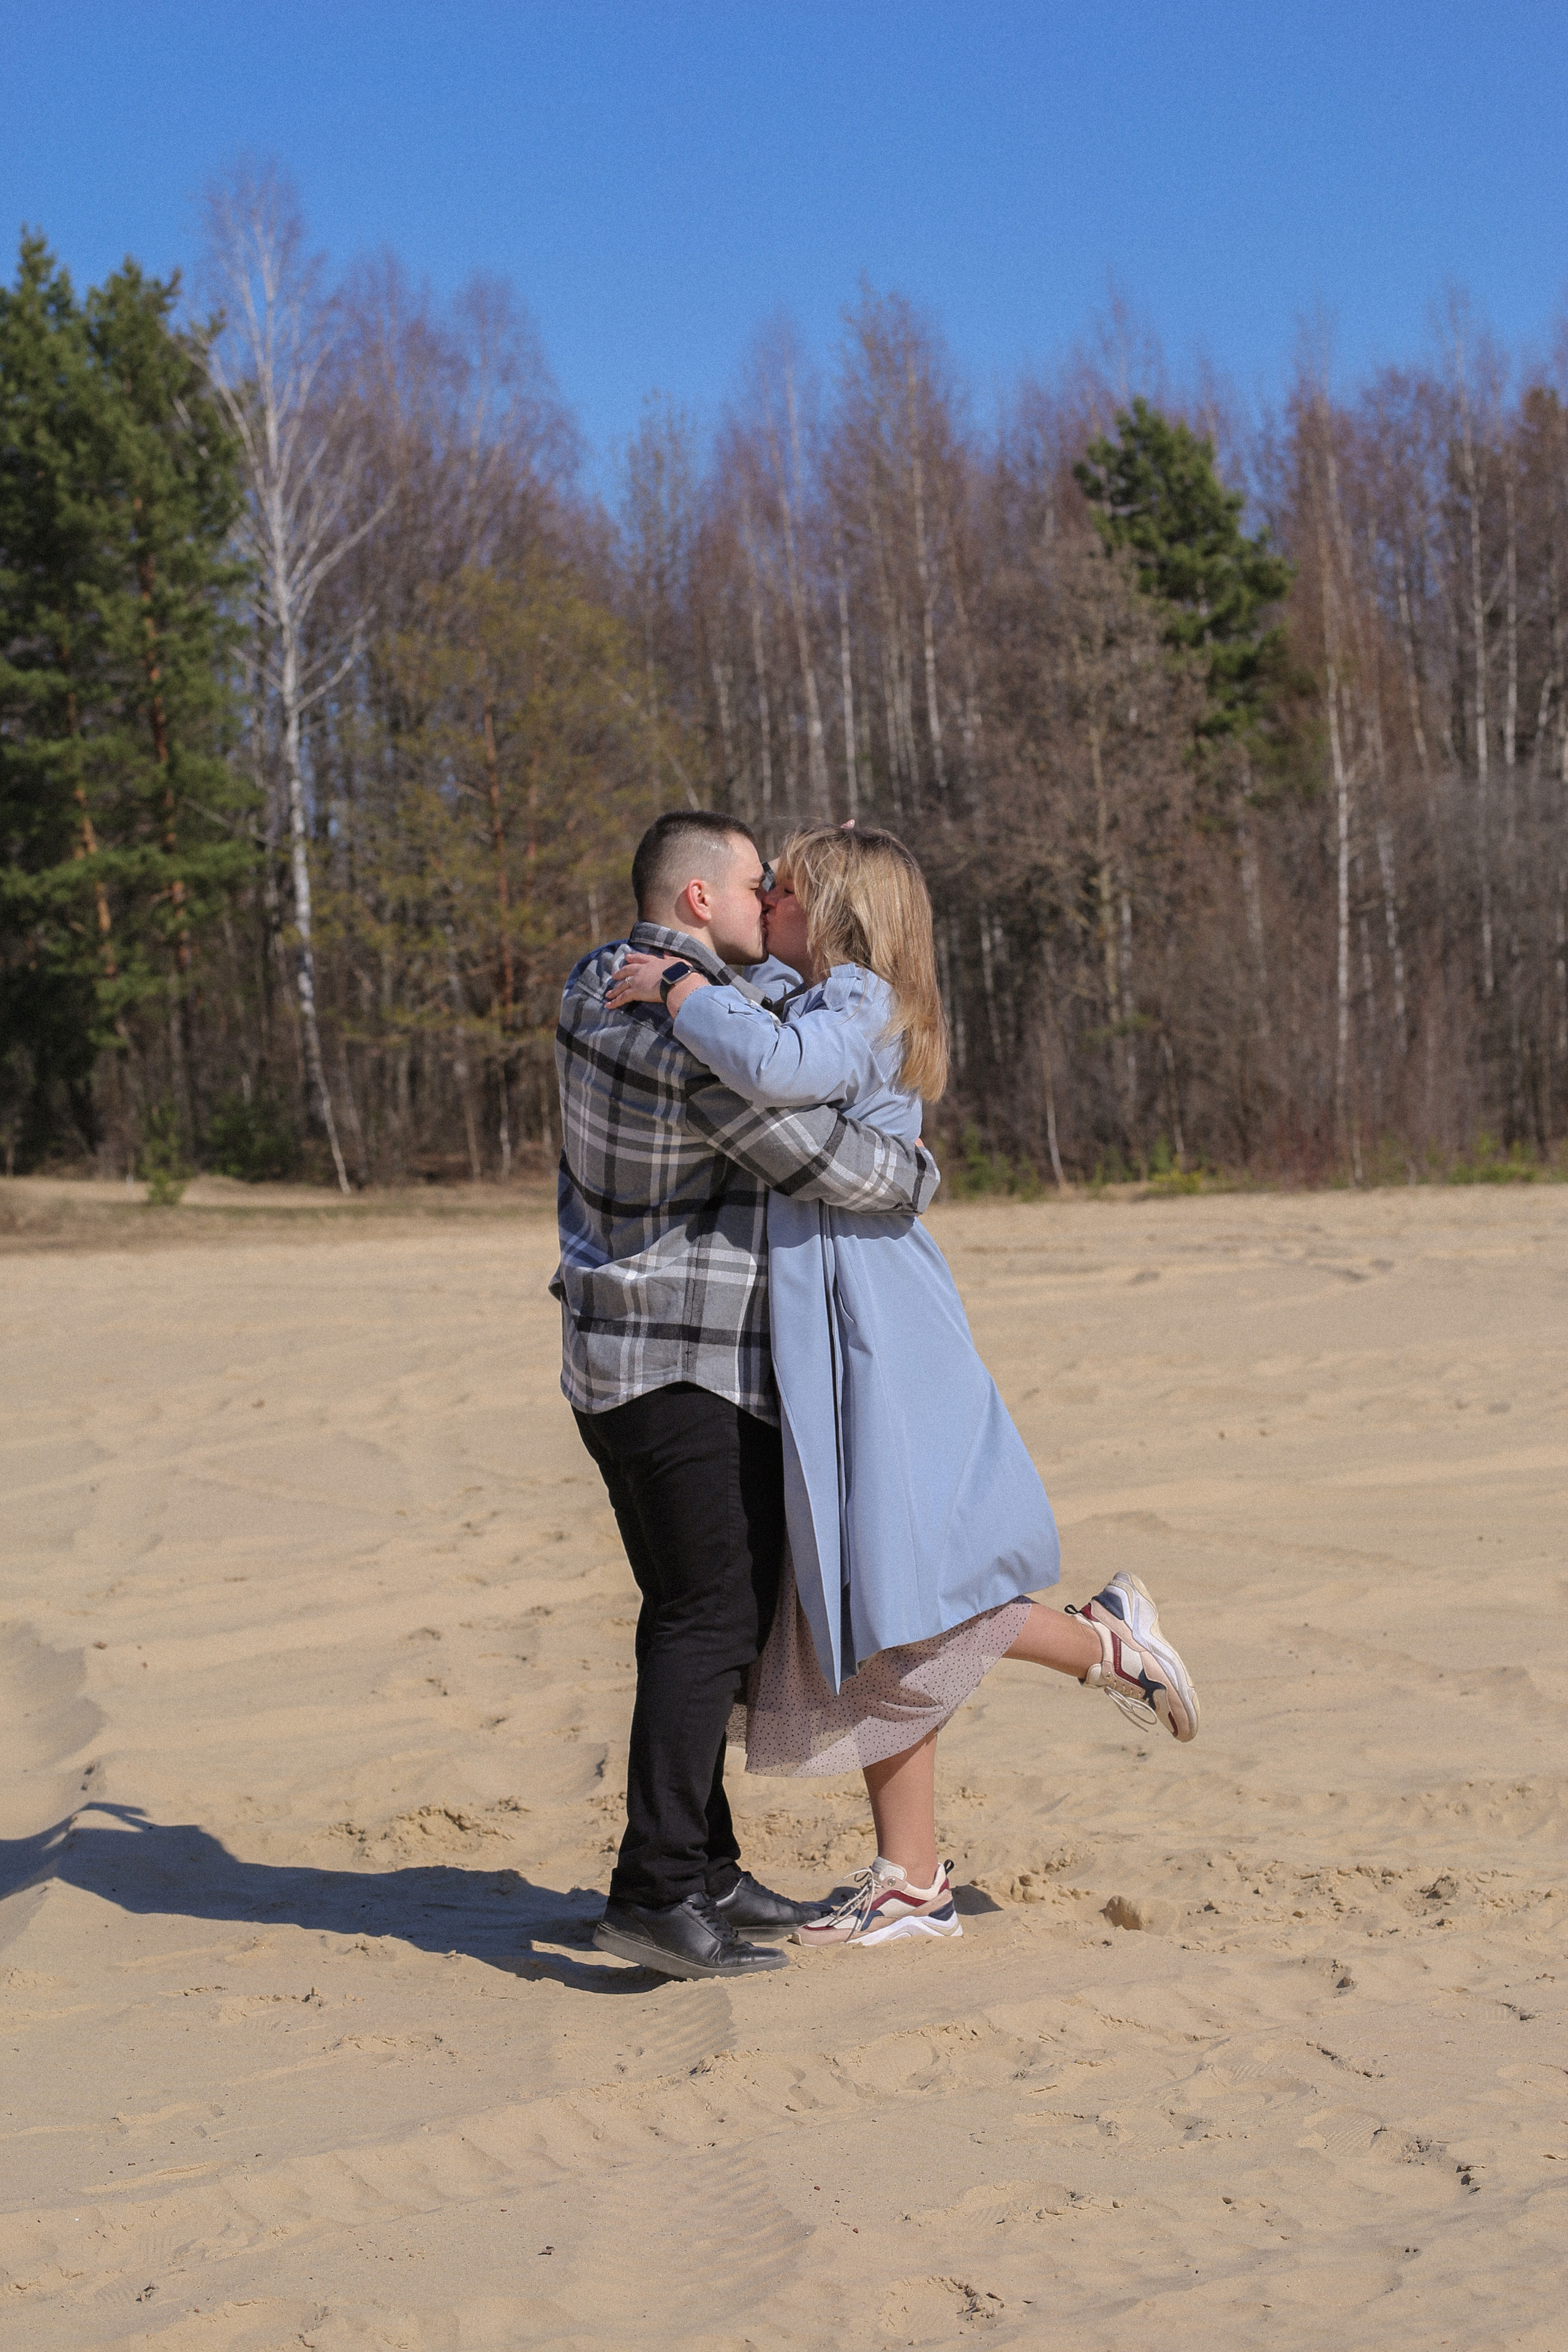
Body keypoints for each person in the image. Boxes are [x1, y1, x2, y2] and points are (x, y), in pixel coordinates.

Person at [607, 823, 1200, 1950]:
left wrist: (681, 987)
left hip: (878, 1317)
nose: (766, 898)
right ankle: (913, 1876)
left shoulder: (861, 1003)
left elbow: (780, 1072)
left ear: (831, 912)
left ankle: (1107, 1646)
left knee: (907, 1583)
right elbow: (775, 1034)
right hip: (824, 1323)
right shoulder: (805, 989)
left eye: (783, 887)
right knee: (874, 1596)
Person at [553, 809, 941, 1982]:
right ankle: (655, 1890)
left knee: (697, 1612)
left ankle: (705, 1865)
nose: (774, 898)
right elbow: (818, 1152)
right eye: (756, 883)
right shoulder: (663, 1025)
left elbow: (783, 1016)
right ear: (697, 905)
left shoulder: (613, 981)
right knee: (707, 1620)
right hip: (671, 1366)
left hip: (650, 1365)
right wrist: (913, 1169)